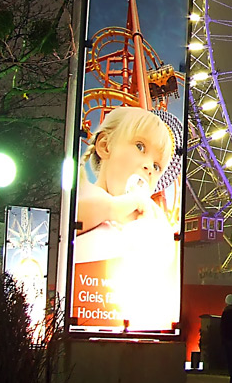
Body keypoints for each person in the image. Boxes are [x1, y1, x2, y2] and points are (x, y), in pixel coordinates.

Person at [72, 106, 178, 331]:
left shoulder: (150, 220)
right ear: (105, 146)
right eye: (140, 147)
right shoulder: (88, 194)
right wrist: (114, 208)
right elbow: (75, 216)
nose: (150, 167)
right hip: (85, 310)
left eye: (158, 166)